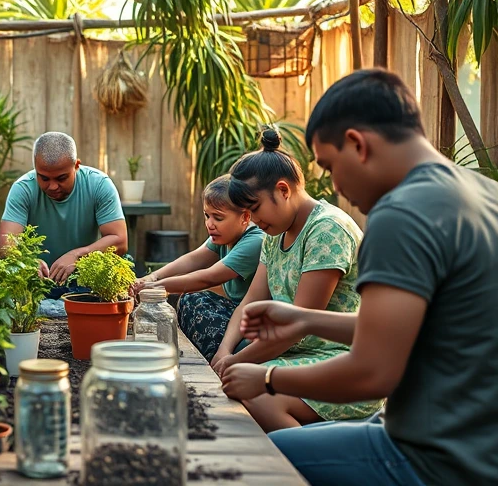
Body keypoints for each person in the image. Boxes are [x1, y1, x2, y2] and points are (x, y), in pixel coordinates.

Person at [221, 69, 498, 486]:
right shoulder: (483, 195)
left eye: (331, 166)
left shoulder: (401, 212)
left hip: (435, 455)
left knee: (257, 461)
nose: (335, 184)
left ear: (357, 143)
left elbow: (374, 371)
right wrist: (309, 319)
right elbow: (411, 330)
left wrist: (267, 377)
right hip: (471, 441)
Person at [211, 128, 383, 432]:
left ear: (283, 190)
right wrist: (225, 351)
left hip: (339, 361)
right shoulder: (274, 233)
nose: (254, 220)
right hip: (291, 359)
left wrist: (237, 362)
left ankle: (307, 467)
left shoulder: (327, 229)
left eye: (255, 209)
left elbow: (296, 328)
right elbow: (250, 302)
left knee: (255, 393)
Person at [131, 175, 264, 362]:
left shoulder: (254, 241)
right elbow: (193, 259)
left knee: (194, 301)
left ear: (245, 217)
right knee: (190, 299)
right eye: (207, 215)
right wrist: (152, 278)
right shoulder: (225, 234)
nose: (209, 224)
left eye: (218, 217)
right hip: (237, 311)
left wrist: (156, 287)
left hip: (253, 324)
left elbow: (208, 277)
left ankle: (222, 360)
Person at [0, 132, 127, 298]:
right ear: (35, 168)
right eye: (44, 178)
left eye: (61, 178)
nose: (52, 186)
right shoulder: (23, 189)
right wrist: (28, 263)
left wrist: (77, 256)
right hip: (38, 280)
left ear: (76, 166)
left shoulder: (99, 184)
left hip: (85, 276)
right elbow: (5, 246)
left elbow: (120, 241)